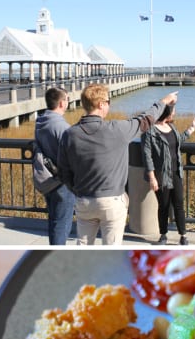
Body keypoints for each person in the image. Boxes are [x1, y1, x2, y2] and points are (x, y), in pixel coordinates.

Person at [58, 84, 178, 245]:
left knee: (83, 245)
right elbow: (146, 119)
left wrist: (77, 190)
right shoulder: (117, 130)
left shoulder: (70, 134)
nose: (109, 104)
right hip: (112, 201)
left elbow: (63, 171)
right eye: (108, 101)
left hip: (84, 200)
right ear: (101, 104)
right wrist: (164, 100)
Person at [141, 105, 195, 245]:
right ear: (166, 113)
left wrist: (192, 127)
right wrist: (152, 178)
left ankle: (183, 235)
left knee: (179, 204)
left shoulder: (171, 127)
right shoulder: (149, 132)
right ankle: (163, 235)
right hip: (161, 175)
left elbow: (178, 141)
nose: (174, 114)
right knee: (163, 205)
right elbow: (147, 156)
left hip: (176, 173)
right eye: (173, 112)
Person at [34, 87, 75, 245]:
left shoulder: (41, 121)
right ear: (61, 103)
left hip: (47, 178)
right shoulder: (61, 127)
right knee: (62, 224)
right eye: (67, 99)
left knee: (54, 221)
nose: (68, 102)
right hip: (61, 182)